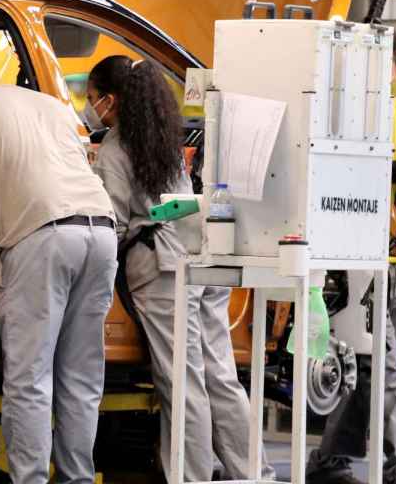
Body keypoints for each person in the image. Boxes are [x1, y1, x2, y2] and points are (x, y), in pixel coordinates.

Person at [0, 67, 118, 484]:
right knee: (81, 380)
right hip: (101, 232)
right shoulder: (55, 105)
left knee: (30, 380)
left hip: (43, 236)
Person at [87, 56, 272, 482]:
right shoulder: (163, 136)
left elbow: (112, 223)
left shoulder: (115, 147)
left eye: (93, 98)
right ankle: (253, 473)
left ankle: (191, 477)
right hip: (201, 254)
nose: (90, 104)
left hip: (163, 268)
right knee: (220, 375)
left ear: (110, 101)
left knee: (182, 382)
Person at [307, 33, 396, 484]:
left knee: (373, 367)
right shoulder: (342, 117)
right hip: (356, 261)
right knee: (380, 365)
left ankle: (328, 460)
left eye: (387, 64)